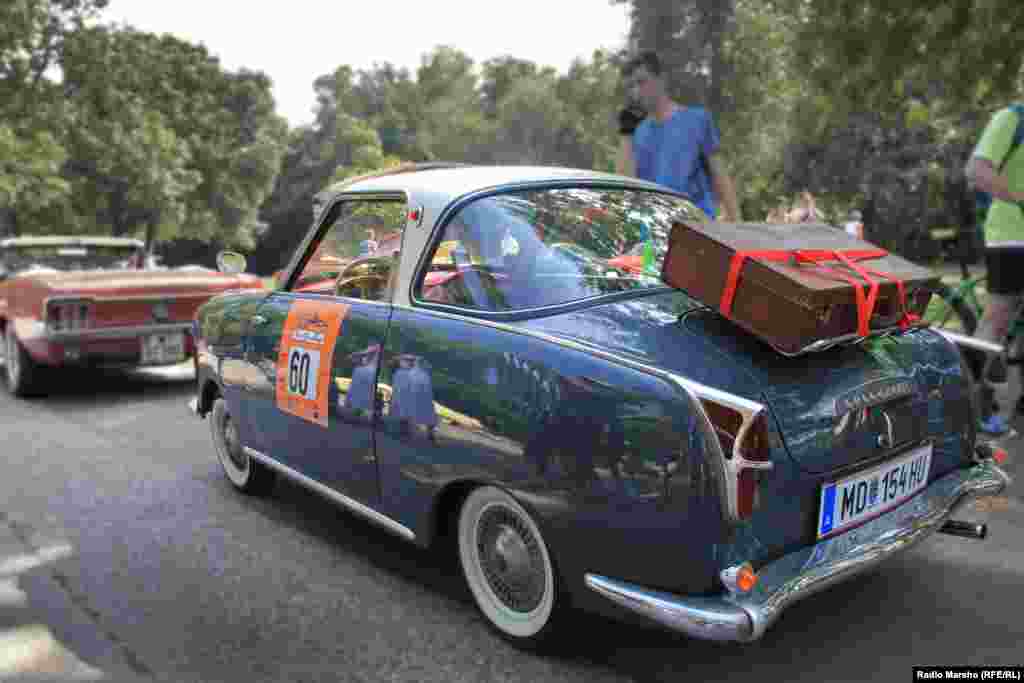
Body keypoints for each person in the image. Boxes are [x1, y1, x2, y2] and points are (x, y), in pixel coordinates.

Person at [616, 50, 741, 222]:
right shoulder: (636, 134)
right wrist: (626, 134)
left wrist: (736, 223)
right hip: (658, 228)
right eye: (631, 86)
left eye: (641, 82)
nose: (636, 91)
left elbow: (720, 175)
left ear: (661, 79)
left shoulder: (697, 120)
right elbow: (625, 189)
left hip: (697, 225)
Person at [965, 104, 1024, 436]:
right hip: (1012, 235)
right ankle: (969, 406)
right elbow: (976, 169)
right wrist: (1018, 198)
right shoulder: (1013, 118)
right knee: (998, 318)